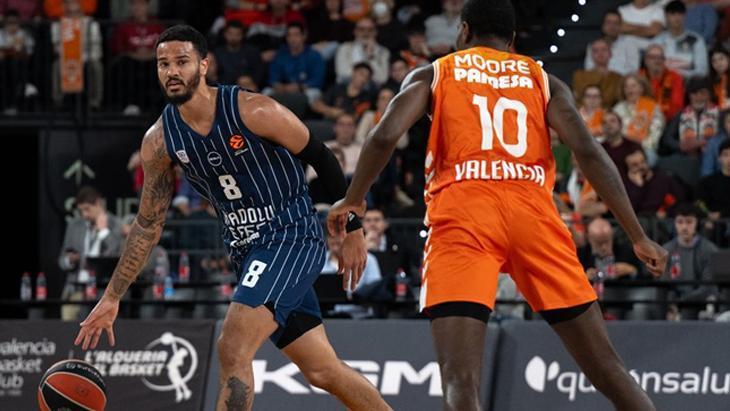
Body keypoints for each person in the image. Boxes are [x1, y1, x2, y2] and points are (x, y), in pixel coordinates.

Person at [327, 1, 667, 410]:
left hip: (464, 218)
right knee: (609, 369)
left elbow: (384, 136)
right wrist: (637, 235)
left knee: (461, 383)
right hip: (534, 218)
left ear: (464, 31)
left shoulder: (436, 72)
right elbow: (589, 152)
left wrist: (354, 198)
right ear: (512, 40)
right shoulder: (543, 80)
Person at [73, 25, 391, 411]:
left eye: (181, 62)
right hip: (246, 252)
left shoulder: (254, 110)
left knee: (232, 345)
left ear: (203, 65)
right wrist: (112, 297)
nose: (171, 71)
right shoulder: (160, 140)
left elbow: (322, 157)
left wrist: (354, 227)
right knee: (323, 371)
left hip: (290, 237)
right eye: (163, 64)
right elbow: (148, 224)